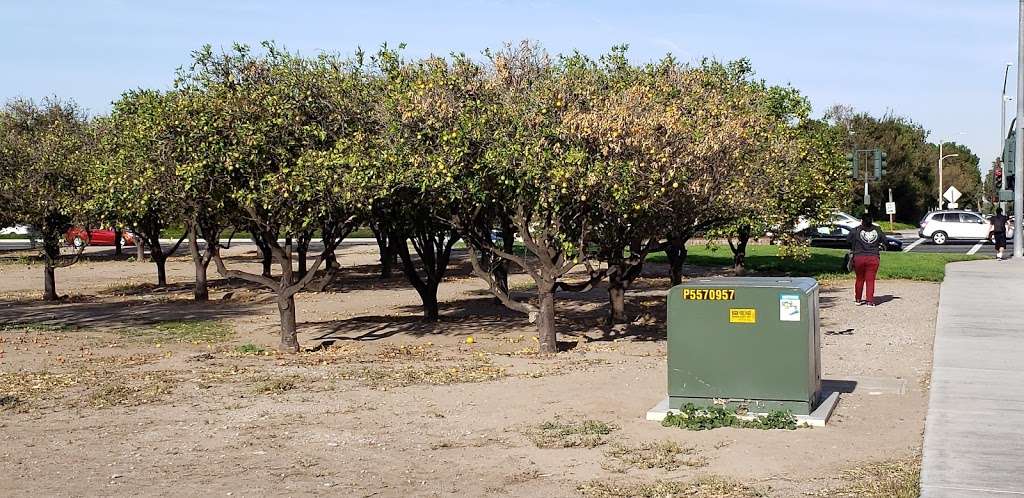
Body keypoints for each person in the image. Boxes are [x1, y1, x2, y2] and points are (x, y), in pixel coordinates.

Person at [847, 213, 885, 306]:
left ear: (862, 220)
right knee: (870, 279)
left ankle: (858, 299)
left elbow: (848, 240)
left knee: (859, 279)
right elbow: (884, 240)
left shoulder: (855, 230)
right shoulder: (877, 230)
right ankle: (870, 301)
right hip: (873, 257)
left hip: (859, 256)